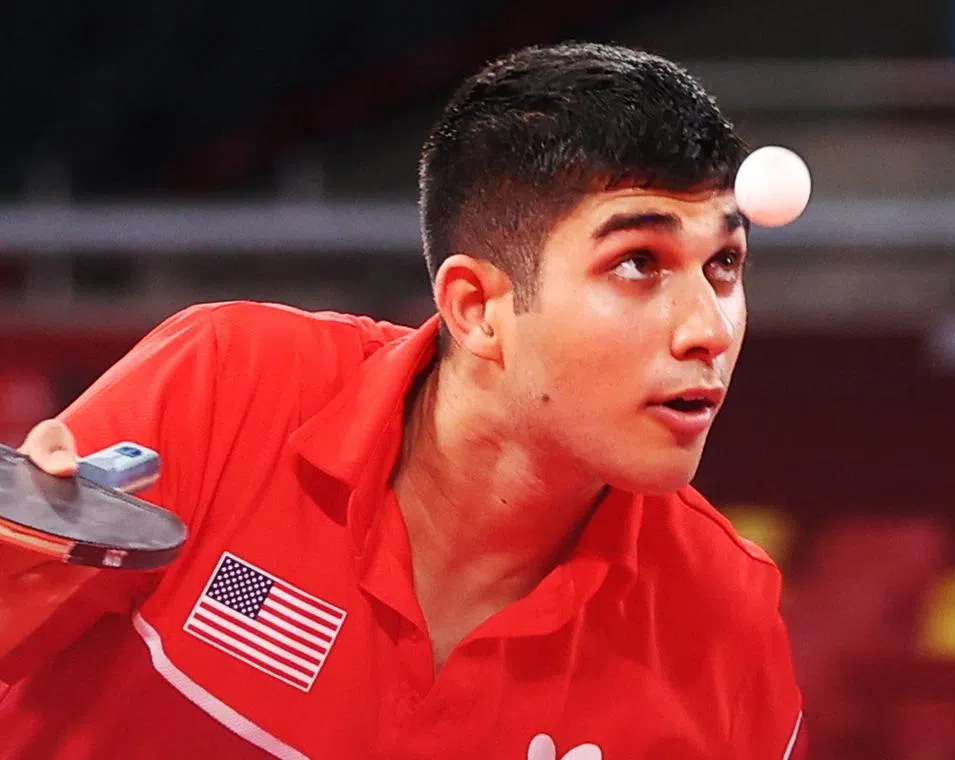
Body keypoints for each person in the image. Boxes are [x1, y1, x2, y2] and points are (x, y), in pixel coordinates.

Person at [0, 42, 804, 759]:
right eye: (638, 263)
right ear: (476, 308)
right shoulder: (228, 385)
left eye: (724, 265)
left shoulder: (721, 622)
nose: (709, 328)